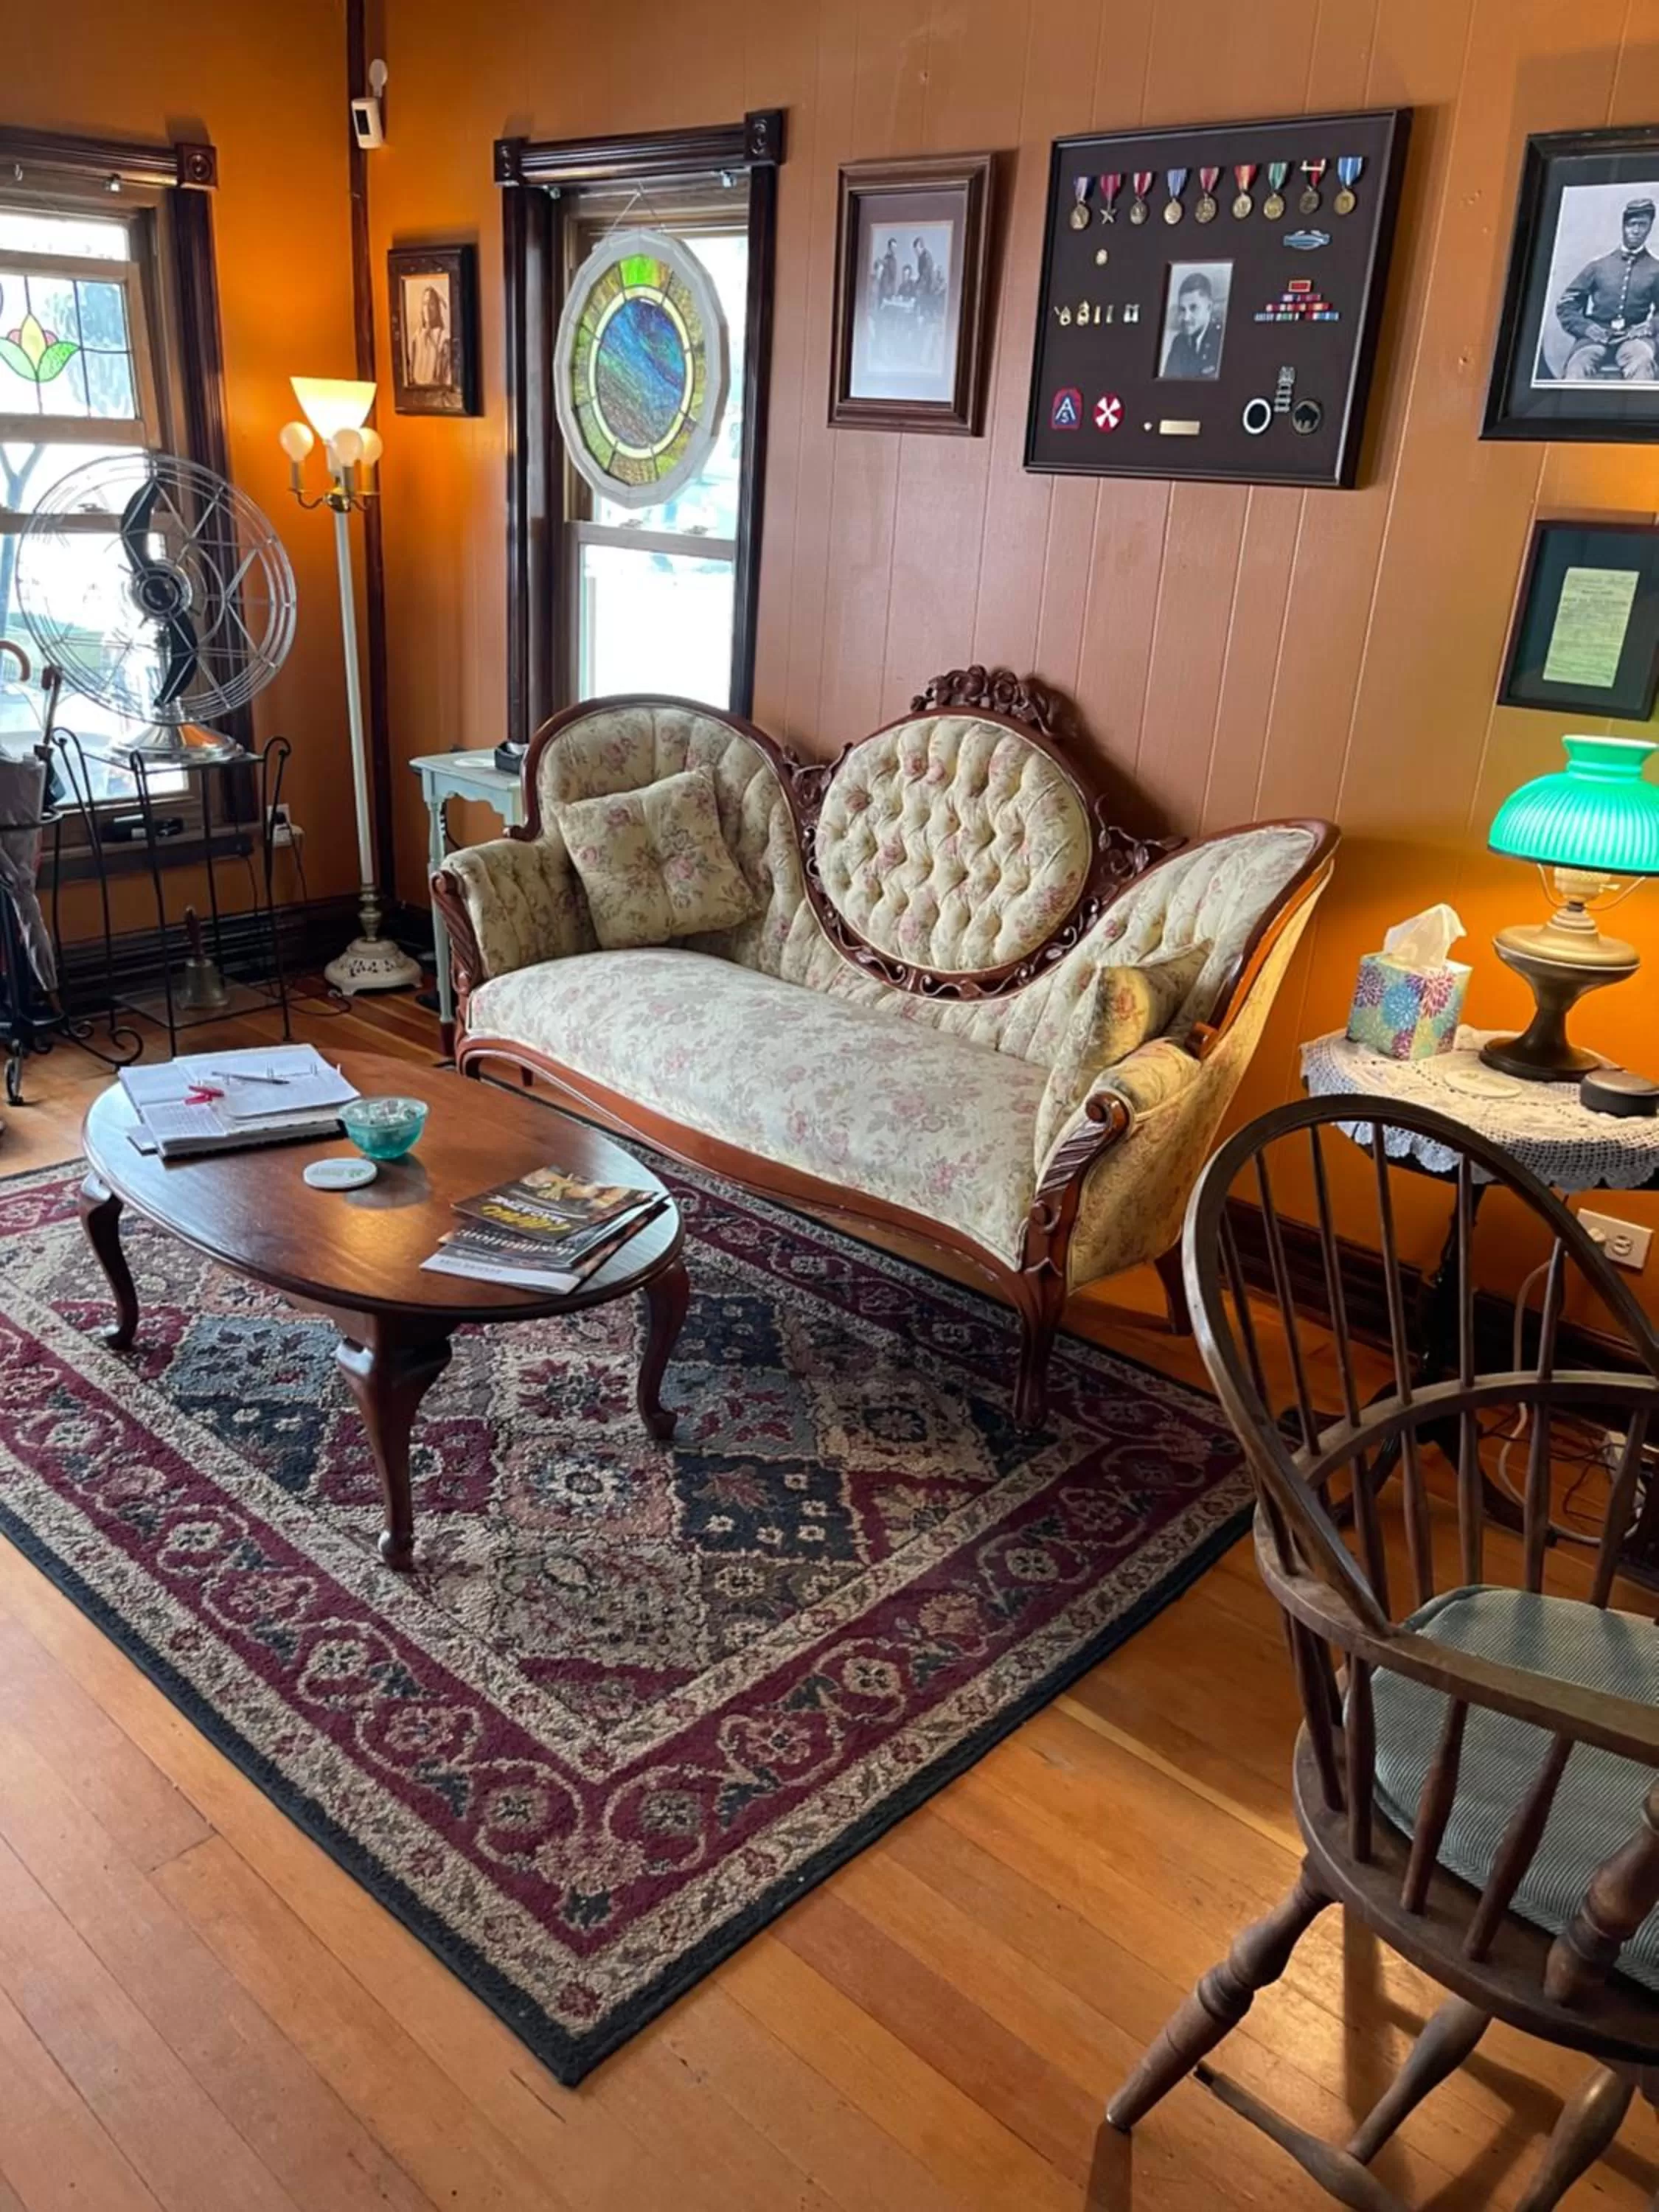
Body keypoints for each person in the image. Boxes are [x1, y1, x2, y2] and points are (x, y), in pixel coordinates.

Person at [1555, 196, 1659, 381]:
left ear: (1650, 227)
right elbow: (1566, 305)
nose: (1636, 231)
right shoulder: (1599, 266)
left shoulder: (1656, 269)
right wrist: (1587, 328)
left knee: (1642, 362)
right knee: (1578, 365)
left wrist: (1650, 325)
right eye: (1632, 225)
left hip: (1634, 338)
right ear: (1623, 226)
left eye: (1642, 225)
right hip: (1595, 337)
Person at [1161, 270, 1225, 379]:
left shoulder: (1222, 338)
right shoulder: (1179, 342)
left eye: (1193, 308)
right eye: (1182, 309)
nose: (1186, 318)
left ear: (1209, 307)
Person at [408, 284, 451, 389]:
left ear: (437, 308)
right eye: (424, 304)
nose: (427, 308)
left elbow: (447, 378)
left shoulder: (444, 339)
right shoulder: (416, 338)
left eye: (431, 304)